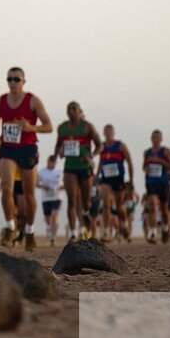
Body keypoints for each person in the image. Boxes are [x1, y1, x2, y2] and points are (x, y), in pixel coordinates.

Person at [0, 67, 54, 251]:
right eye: (9, 79)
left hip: (27, 149)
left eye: (17, 79)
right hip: (8, 148)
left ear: (24, 81)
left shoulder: (33, 100)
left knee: (29, 194)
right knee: (6, 188)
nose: (13, 82)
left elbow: (49, 126)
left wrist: (30, 127)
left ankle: (30, 231)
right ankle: (11, 226)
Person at [55, 101, 102, 239]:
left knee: (85, 202)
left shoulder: (87, 127)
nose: (71, 111)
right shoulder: (62, 128)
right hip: (70, 168)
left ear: (79, 111)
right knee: (72, 200)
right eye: (68, 108)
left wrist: (91, 155)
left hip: (85, 168)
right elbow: (58, 145)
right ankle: (73, 233)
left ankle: (86, 214)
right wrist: (59, 153)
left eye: (74, 109)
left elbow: (99, 145)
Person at [95, 124, 134, 243]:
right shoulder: (101, 146)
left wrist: (131, 180)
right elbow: (101, 162)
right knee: (106, 204)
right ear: (103, 133)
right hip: (106, 179)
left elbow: (129, 162)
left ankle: (125, 221)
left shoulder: (121, 146)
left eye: (110, 131)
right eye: (105, 131)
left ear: (113, 133)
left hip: (118, 178)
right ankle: (107, 232)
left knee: (119, 206)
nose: (108, 134)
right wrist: (97, 176)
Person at [141, 129, 170, 243]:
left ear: (161, 139)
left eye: (157, 137)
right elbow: (144, 166)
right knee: (152, 206)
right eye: (153, 137)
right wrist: (146, 168)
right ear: (151, 139)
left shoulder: (166, 151)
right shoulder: (147, 152)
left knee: (164, 209)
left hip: (163, 183)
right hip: (151, 183)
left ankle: (166, 227)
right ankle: (153, 232)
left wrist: (160, 161)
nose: (155, 139)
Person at [38, 155, 63, 244]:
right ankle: (48, 226)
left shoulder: (60, 172)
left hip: (57, 197)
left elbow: (65, 184)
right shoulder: (42, 172)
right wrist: (42, 186)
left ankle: (53, 237)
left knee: (54, 215)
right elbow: (36, 183)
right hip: (46, 198)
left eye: (53, 161)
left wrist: (62, 186)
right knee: (47, 218)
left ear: (55, 163)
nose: (51, 163)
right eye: (49, 161)